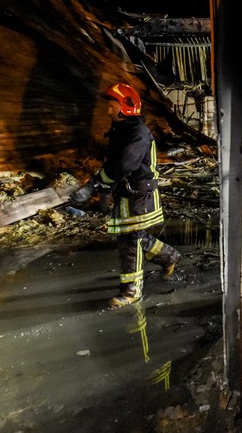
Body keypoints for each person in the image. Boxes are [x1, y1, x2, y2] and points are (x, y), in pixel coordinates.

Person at [71, 82, 181, 308]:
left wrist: (94, 186)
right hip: (128, 194)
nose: (108, 110)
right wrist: (104, 191)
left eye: (112, 105)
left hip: (139, 196)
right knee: (133, 237)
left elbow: (122, 165)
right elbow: (113, 164)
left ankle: (131, 292)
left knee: (130, 240)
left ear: (125, 107)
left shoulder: (138, 134)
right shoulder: (122, 132)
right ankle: (169, 256)